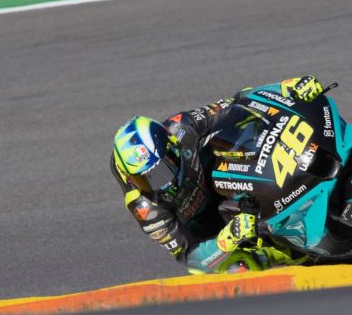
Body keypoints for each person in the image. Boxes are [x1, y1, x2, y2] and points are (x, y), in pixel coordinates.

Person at [110, 76, 324, 274]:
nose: (163, 184)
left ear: (172, 147)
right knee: (235, 268)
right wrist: (226, 239)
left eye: (163, 170)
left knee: (237, 132)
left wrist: (286, 88)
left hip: (221, 182)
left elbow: (239, 101)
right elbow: (190, 258)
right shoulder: (145, 209)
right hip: (208, 231)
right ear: (130, 178)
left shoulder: (182, 127)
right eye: (145, 180)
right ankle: (280, 259)